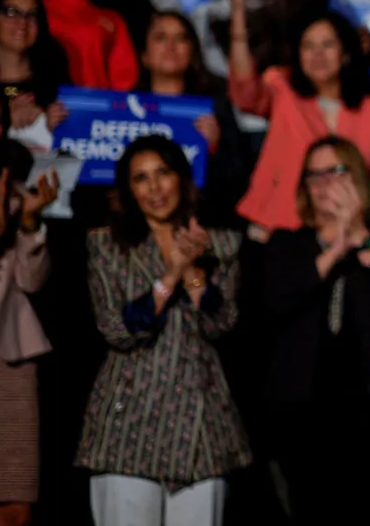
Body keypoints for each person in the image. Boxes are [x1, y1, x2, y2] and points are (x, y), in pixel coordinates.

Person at [77, 137, 249, 526]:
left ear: (181, 179)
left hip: (200, 426)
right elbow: (117, 330)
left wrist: (192, 271)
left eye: (162, 173)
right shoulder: (107, 245)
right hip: (127, 421)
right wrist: (170, 274)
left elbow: (221, 323)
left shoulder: (220, 244)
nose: (154, 188)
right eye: (141, 178)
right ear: (128, 190)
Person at [260, 138, 370, 526]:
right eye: (313, 175)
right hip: (305, 413)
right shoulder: (287, 244)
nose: (323, 184)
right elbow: (275, 302)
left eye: (334, 172)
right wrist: (332, 250)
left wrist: (360, 236)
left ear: (357, 178)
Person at [226, 0, 370, 234]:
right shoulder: (282, 88)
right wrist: (238, 8)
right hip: (273, 230)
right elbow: (244, 91)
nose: (318, 54)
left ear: (346, 54)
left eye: (327, 45)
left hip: (340, 235)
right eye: (308, 46)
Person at [0, 131, 55, 526]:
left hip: (7, 362)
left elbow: (32, 282)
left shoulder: (16, 199)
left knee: (12, 505)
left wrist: (29, 223)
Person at [135, 11, 251, 219]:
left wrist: (214, 149)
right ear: (144, 55)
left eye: (181, 38)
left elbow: (237, 182)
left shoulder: (215, 108)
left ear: (192, 52)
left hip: (204, 219)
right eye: (161, 38)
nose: (171, 46)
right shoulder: (122, 109)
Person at [0, 0, 70, 151]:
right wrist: (6, 124)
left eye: (31, 15)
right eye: (12, 12)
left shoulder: (55, 81)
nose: (22, 22)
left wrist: (48, 127)